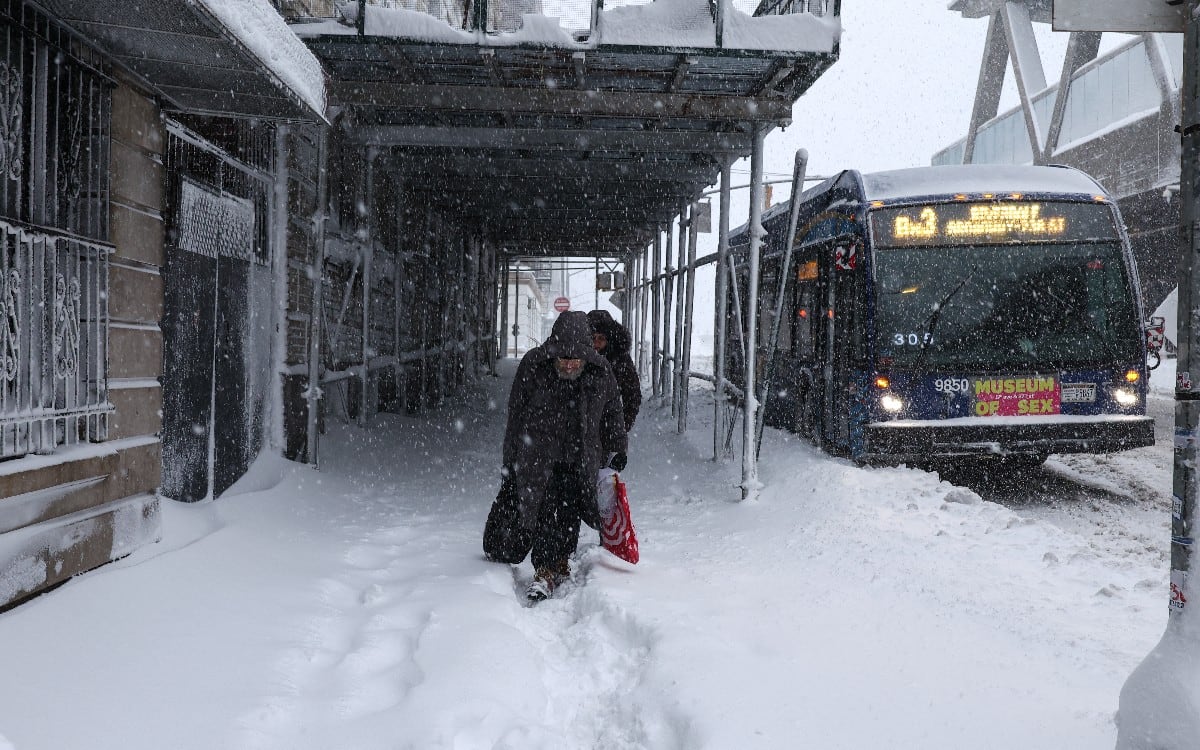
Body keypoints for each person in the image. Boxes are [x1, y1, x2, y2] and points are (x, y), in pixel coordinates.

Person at [485, 311, 628, 601]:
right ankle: (543, 563)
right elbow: (517, 416)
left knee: (566, 514)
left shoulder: (601, 373)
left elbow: (613, 414)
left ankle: (550, 569)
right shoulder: (534, 366)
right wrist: (510, 460)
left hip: (579, 459)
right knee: (533, 513)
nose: (570, 364)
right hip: (537, 457)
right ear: (553, 353)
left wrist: (618, 448)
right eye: (564, 359)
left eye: (576, 359)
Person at [586, 309, 642, 431]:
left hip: (608, 426)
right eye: (593, 337)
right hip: (579, 428)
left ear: (609, 339)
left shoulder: (620, 359)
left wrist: (622, 426)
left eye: (601, 338)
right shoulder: (577, 358)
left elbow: (632, 394)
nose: (596, 342)